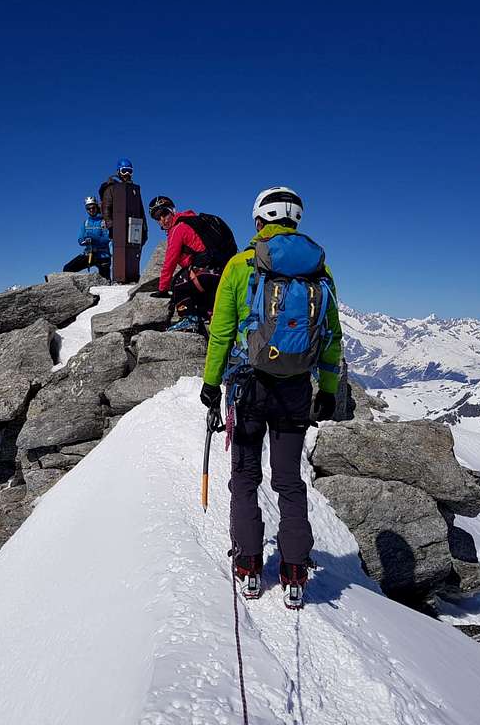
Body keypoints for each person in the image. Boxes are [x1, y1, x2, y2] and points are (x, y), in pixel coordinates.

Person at [200, 186, 343, 610]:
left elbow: (223, 332)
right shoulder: (320, 270)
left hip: (247, 385)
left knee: (245, 477)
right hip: (296, 387)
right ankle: (295, 570)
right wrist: (329, 390)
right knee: (288, 480)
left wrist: (211, 383)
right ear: (295, 221)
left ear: (258, 220)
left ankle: (247, 565)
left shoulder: (241, 265)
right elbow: (331, 337)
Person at [148, 195, 236, 333]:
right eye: (157, 218)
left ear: (172, 211)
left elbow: (169, 262)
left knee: (179, 282)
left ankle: (188, 319)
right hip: (220, 271)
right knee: (194, 282)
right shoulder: (192, 222)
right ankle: (208, 314)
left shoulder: (178, 229)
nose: (162, 220)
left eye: (164, 214)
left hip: (207, 272)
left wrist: (163, 289)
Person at [98, 158, 146, 284]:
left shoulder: (134, 190)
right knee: (117, 253)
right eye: (124, 171)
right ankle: (118, 278)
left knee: (133, 251)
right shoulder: (111, 188)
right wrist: (111, 226)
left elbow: (141, 210)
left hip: (132, 227)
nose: (127, 174)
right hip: (117, 229)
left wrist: (144, 228)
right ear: (119, 171)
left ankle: (132, 276)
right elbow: (106, 208)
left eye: (129, 171)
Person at [63, 196, 111, 280]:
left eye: (93, 207)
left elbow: (107, 239)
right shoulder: (86, 223)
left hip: (103, 256)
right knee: (67, 269)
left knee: (105, 281)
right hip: (89, 254)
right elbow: (80, 239)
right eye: (88, 208)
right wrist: (84, 241)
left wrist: (93, 238)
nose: (91, 210)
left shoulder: (104, 222)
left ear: (97, 207)